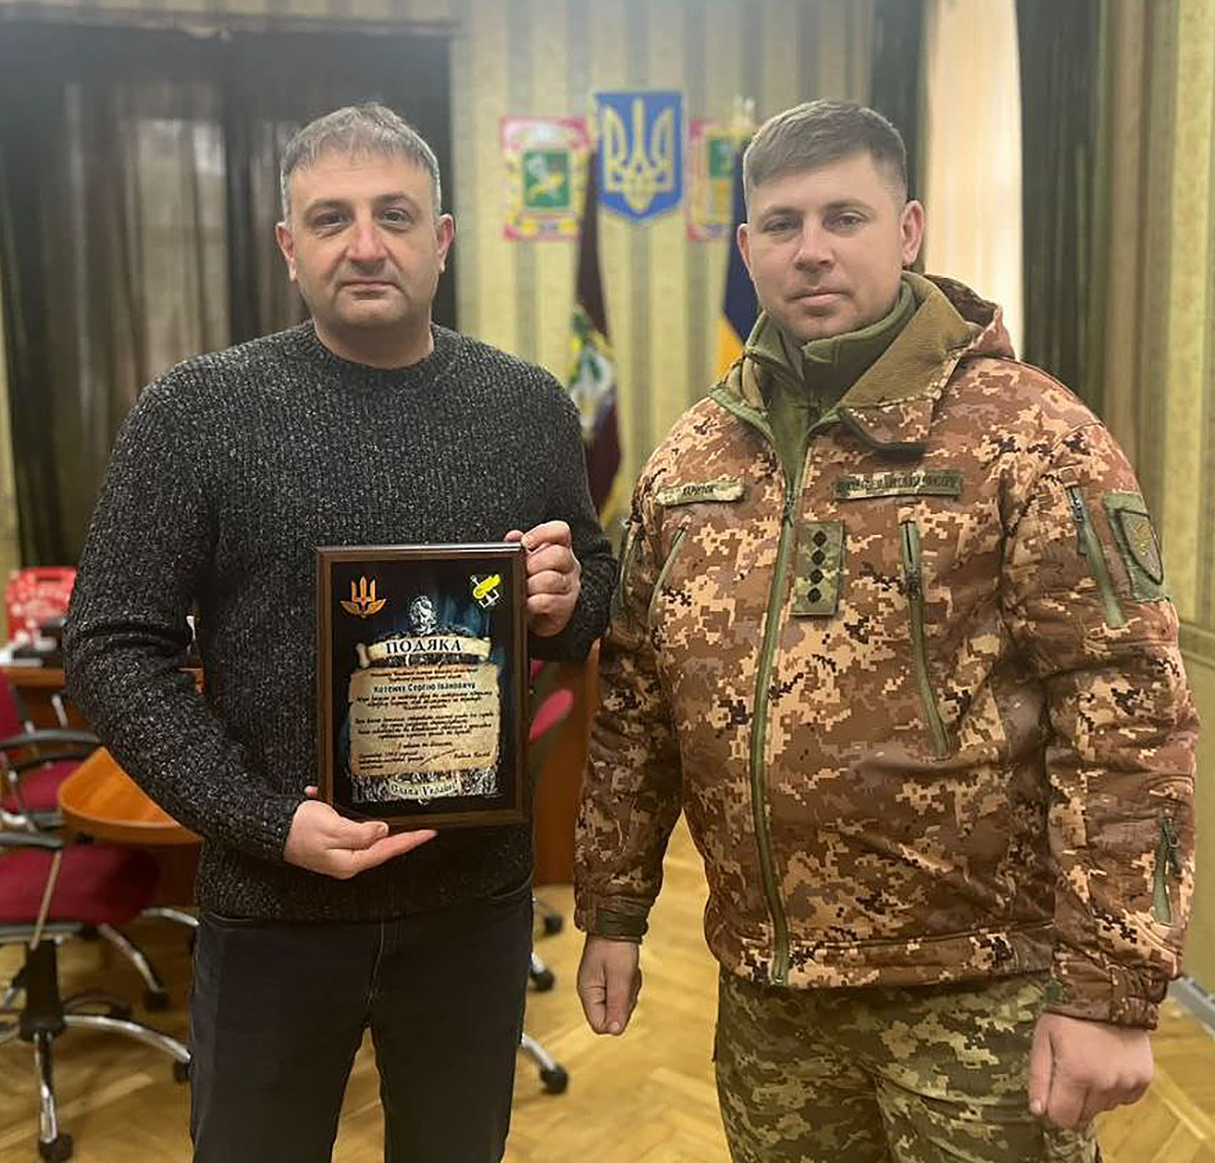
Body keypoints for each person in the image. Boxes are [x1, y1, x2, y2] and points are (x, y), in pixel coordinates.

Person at [573, 99, 1198, 1162]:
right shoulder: (691, 459)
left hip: (981, 999)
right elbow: (638, 708)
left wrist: (1111, 985)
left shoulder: (1029, 436)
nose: (811, 249)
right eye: (782, 224)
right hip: (770, 1002)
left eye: (844, 217)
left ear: (907, 231)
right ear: (747, 249)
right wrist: (614, 906)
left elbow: (1126, 713)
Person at [64, 102, 614, 1163]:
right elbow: (110, 644)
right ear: (289, 245)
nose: (365, 244)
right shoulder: (196, 411)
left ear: (441, 239)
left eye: (394, 215)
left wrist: (564, 594)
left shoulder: (527, 405)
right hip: (272, 902)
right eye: (331, 218)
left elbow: (591, 591)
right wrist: (265, 820)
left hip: (471, 908)